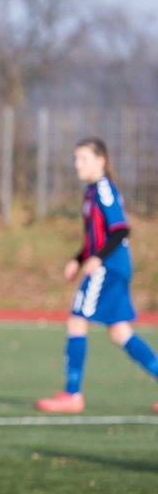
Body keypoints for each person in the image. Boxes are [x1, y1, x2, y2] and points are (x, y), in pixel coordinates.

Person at [35, 138, 158, 413]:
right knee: (119, 331)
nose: (77, 165)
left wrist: (97, 260)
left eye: (83, 159)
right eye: (75, 159)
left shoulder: (103, 189)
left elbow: (120, 230)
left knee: (77, 320)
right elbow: (97, 238)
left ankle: (72, 394)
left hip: (109, 268)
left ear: (100, 160)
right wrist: (78, 259)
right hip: (111, 265)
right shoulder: (91, 192)